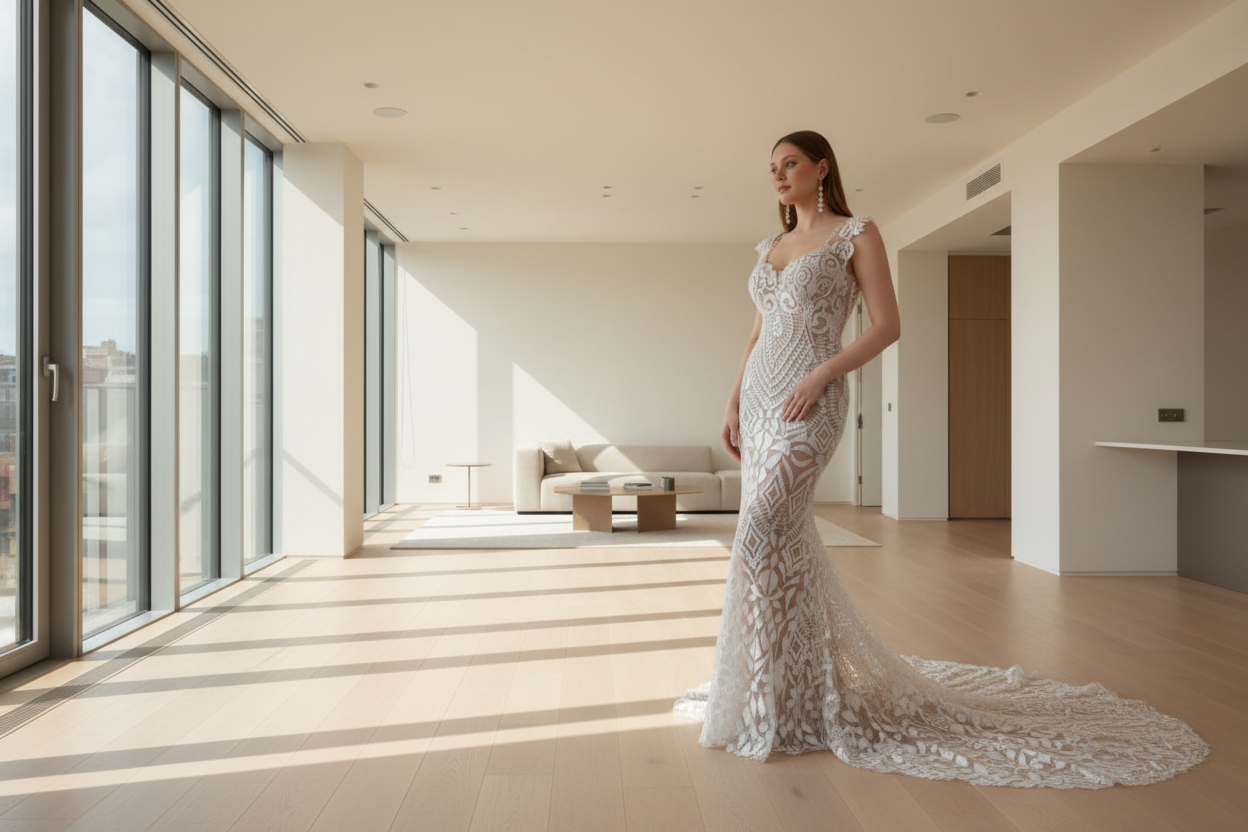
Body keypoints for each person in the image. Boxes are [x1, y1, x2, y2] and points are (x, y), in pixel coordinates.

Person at [672, 130, 1209, 787]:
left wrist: (822, 375)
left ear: (821, 167)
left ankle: (785, 690)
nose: (778, 175)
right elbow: (756, 332)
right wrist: (731, 404)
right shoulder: (771, 246)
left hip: (812, 403)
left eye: (790, 164)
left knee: (758, 535)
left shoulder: (855, 233)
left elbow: (886, 325)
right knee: (779, 541)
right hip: (758, 404)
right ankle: (786, 692)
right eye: (772, 168)